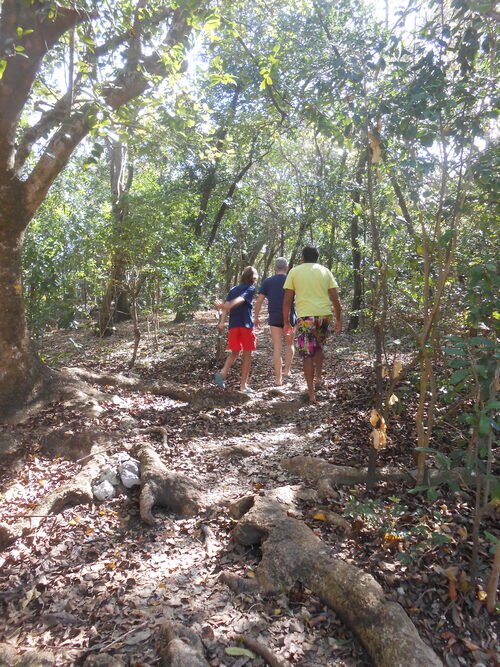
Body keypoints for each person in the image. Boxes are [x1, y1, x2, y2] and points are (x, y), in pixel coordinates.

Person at [283, 246, 342, 403]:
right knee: (319, 347)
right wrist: (338, 319)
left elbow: (287, 300)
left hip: (306, 317)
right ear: (317, 258)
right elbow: (335, 298)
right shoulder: (325, 271)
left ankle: (311, 394)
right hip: (324, 315)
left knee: (307, 355)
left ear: (302, 257)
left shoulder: (294, 272)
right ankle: (318, 377)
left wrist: (286, 322)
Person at [214, 266, 258, 394]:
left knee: (235, 353)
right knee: (247, 356)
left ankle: (222, 373)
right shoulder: (250, 288)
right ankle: (243, 386)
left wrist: (222, 322)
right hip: (246, 325)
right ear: (252, 278)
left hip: (233, 326)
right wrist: (226, 305)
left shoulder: (233, 289)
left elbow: (226, 307)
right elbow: (239, 300)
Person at [254, 257, 296, 386]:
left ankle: (278, 379)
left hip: (275, 316)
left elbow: (259, 300)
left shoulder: (268, 282)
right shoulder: (292, 279)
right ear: (287, 268)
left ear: (274, 268)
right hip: (290, 316)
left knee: (277, 346)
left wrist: (255, 317)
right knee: (290, 344)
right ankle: (287, 371)